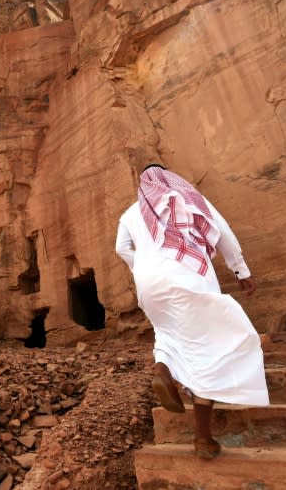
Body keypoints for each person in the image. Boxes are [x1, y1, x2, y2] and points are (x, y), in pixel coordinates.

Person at [115, 164, 269, 459]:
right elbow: (221, 230)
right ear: (167, 177)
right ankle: (202, 438)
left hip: (148, 285)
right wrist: (239, 269)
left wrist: (144, 265)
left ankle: (162, 369)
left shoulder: (132, 212)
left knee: (166, 334)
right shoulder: (184, 196)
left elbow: (121, 248)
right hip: (187, 274)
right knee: (208, 350)